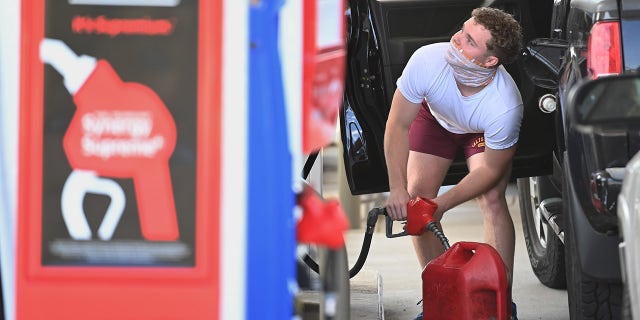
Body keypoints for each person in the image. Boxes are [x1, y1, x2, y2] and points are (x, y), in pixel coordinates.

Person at [383, 7, 523, 320]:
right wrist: (397, 188)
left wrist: (443, 203)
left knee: (492, 199)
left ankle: (499, 303)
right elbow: (397, 126)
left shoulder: (505, 105)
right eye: (462, 30)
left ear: (490, 61)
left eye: (469, 41)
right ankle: (440, 297)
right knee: (419, 200)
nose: (456, 39)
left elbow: (490, 170)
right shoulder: (427, 59)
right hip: (434, 120)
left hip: (479, 131)